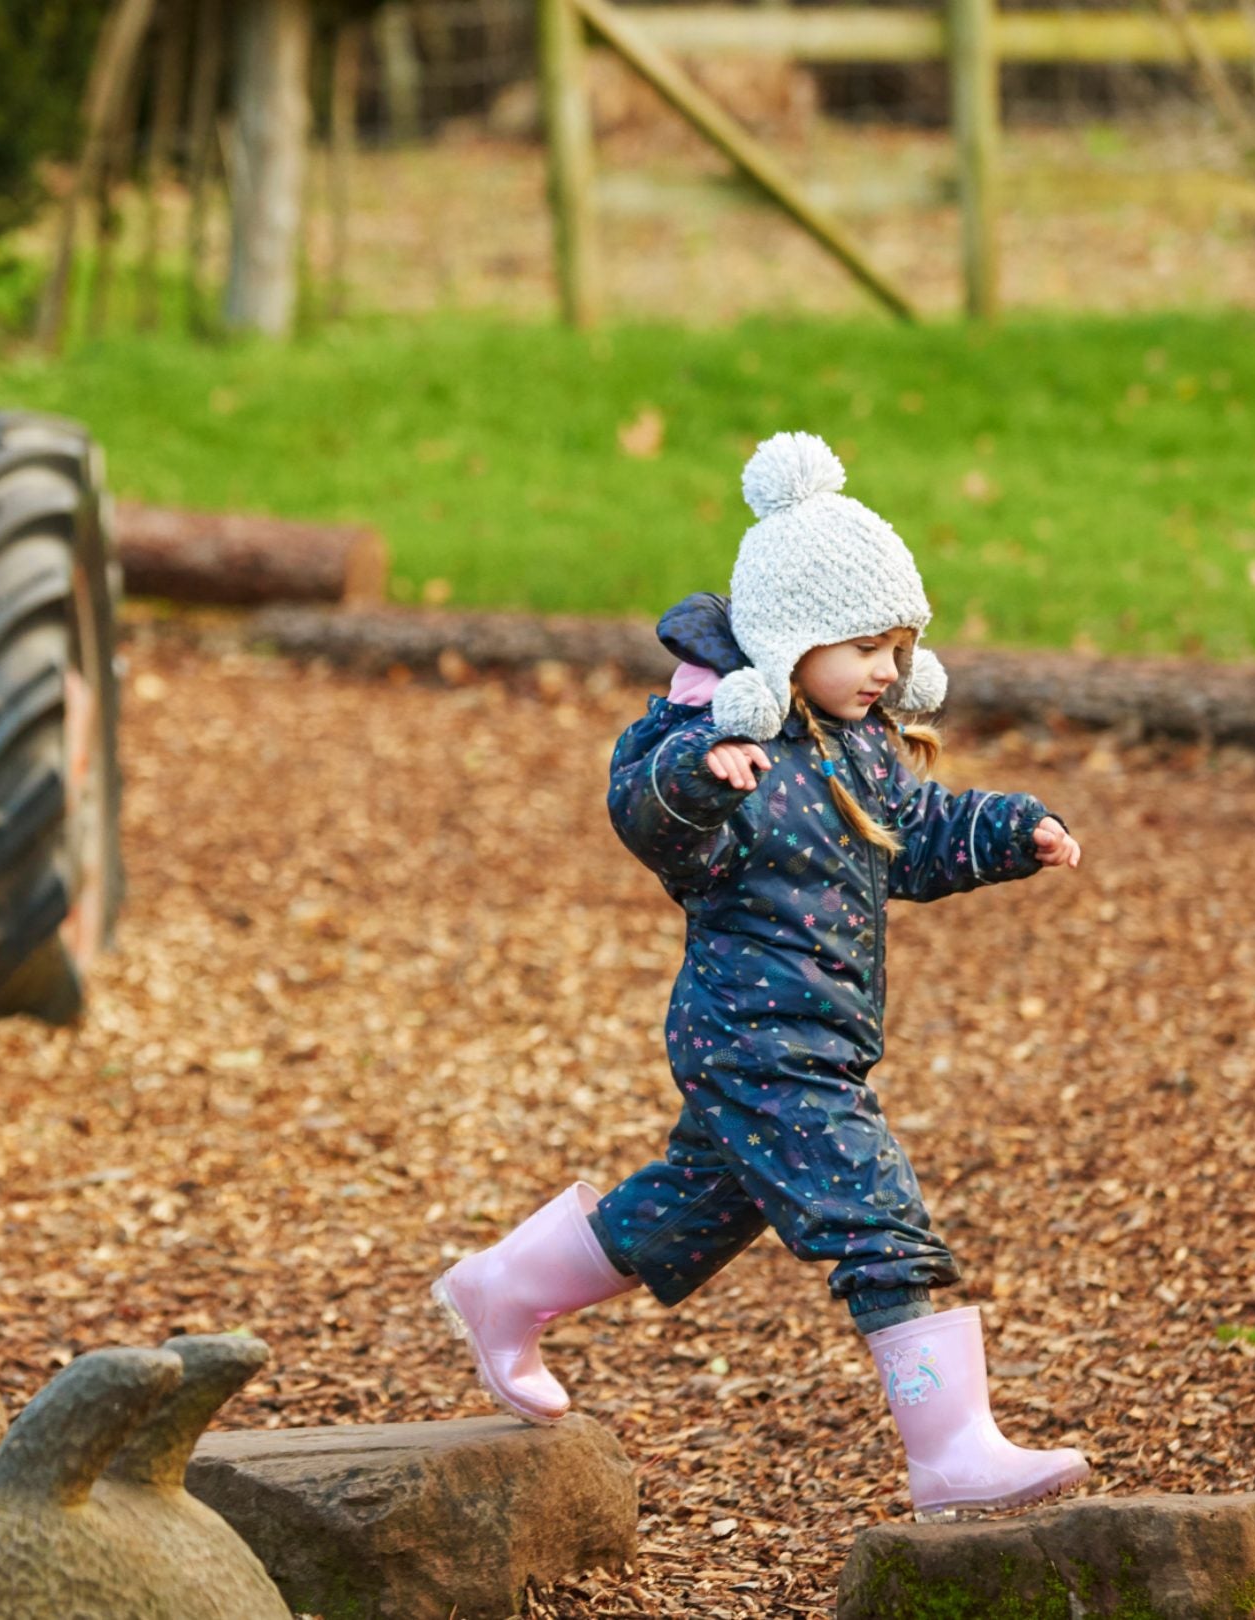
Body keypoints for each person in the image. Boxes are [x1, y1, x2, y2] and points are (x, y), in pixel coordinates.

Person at [430, 431, 1092, 1520]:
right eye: (865, 644)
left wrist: (1016, 830)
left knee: (690, 1208)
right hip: (756, 1039)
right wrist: (700, 777)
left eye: (900, 644)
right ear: (791, 640)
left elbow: (915, 836)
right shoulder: (715, 741)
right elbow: (649, 819)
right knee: (876, 1217)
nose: (888, 668)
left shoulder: (860, 742)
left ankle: (505, 1289)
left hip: (818, 1034)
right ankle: (951, 1451)